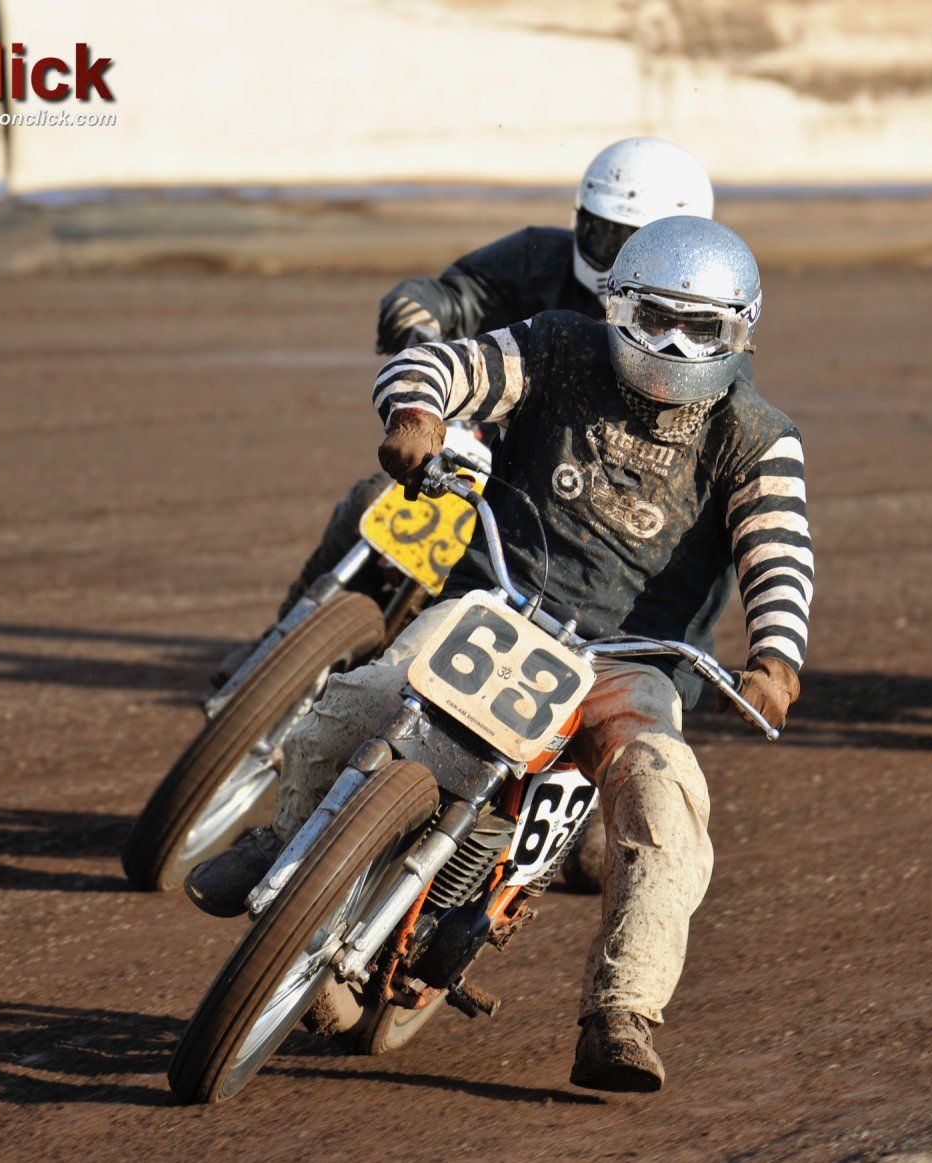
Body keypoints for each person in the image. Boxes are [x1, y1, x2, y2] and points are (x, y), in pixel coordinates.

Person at [186, 217, 813, 1093]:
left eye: (699, 326)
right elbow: (444, 362)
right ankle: (287, 843)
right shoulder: (558, 347)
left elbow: (779, 555)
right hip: (498, 605)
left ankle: (621, 1012)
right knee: (361, 696)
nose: (673, 343)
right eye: (656, 317)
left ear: (740, 329)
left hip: (631, 664)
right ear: (616, 304)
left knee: (669, 808)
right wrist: (417, 410)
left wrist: (776, 657)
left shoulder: (757, 436)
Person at [269, 137, 720, 619]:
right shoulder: (538, 258)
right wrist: (417, 317)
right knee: (369, 501)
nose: (616, 260)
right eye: (604, 234)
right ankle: (282, 633)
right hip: (484, 452)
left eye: (636, 244)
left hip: (582, 524)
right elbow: (453, 294)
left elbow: (710, 521)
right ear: (580, 219)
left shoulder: (708, 359)